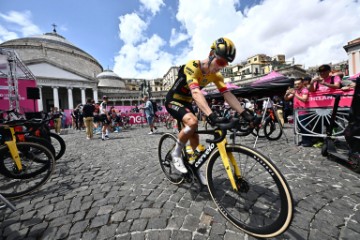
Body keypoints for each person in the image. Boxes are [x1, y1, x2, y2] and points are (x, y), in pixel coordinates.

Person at [165, 37, 254, 185]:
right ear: (212, 53)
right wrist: (210, 115)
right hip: (173, 100)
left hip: (187, 102)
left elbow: (227, 94)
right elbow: (195, 92)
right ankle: (176, 153)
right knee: (193, 121)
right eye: (220, 62)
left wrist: (243, 112)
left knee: (195, 137)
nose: (221, 66)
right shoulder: (193, 65)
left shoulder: (216, 75)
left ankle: (195, 168)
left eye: (225, 64)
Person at [284, 78, 312, 147]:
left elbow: (304, 99)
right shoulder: (296, 91)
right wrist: (286, 94)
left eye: (298, 84)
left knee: (304, 127)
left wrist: (295, 94)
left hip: (304, 111)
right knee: (300, 127)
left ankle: (308, 142)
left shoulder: (305, 90)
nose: (297, 85)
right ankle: (304, 140)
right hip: (297, 112)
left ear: (302, 83)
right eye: (295, 84)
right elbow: (286, 99)